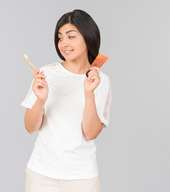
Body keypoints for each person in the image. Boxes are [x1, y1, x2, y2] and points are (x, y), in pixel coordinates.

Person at [21, 9, 112, 192]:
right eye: (60, 38)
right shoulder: (46, 74)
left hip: (82, 178)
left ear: (88, 37)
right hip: (40, 174)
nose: (64, 44)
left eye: (71, 36)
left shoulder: (100, 81)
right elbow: (30, 127)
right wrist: (40, 100)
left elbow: (91, 133)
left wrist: (89, 93)